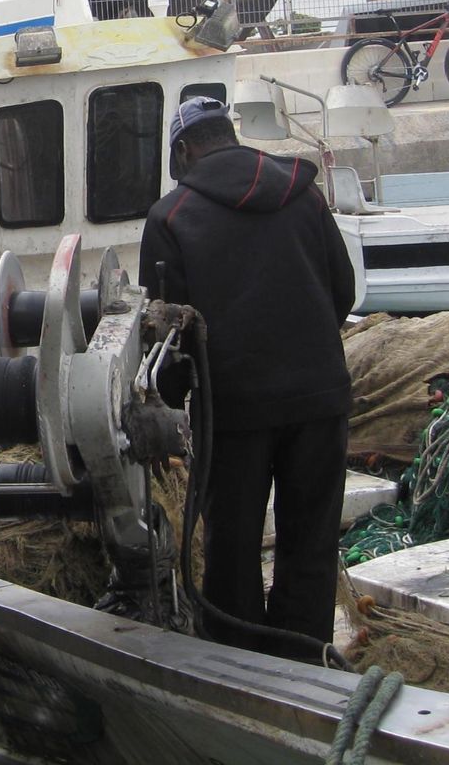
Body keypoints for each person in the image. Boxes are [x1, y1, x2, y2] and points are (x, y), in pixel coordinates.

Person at [137, 95, 356, 658]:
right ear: (228, 137)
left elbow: (166, 336)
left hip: (233, 411)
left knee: (232, 547)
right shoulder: (303, 196)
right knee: (310, 539)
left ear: (184, 150)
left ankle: (241, 664)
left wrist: (174, 403)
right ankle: (306, 659)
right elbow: (343, 289)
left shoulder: (171, 217)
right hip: (320, 399)